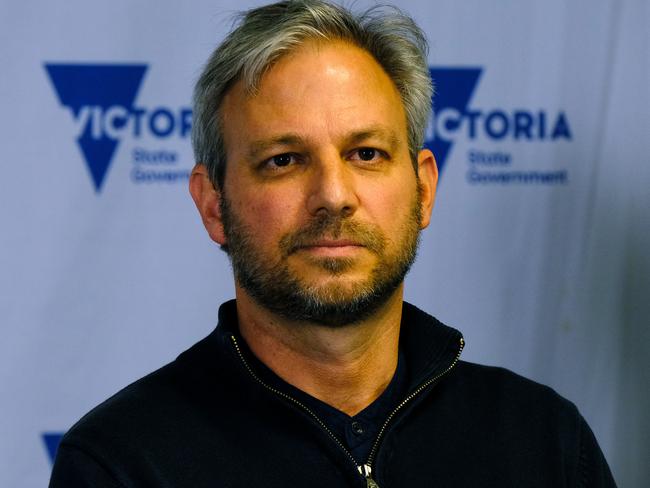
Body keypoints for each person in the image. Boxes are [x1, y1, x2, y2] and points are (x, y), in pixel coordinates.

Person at [50, 1, 616, 486]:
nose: (333, 195)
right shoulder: (122, 464)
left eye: (366, 153)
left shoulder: (546, 442)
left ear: (422, 189)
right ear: (213, 204)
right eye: (284, 160)